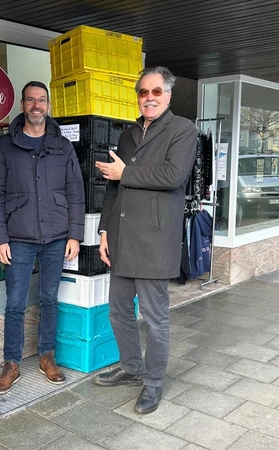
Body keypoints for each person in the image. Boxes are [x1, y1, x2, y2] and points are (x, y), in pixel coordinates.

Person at [92, 67, 197, 414]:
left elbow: (173, 175)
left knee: (154, 318)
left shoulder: (182, 130)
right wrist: (105, 231)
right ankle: (132, 367)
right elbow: (113, 184)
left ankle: (152, 383)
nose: (148, 98)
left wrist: (127, 173)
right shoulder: (129, 133)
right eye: (142, 92)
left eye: (155, 92)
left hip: (153, 240)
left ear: (167, 96)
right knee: (118, 311)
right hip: (121, 238)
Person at [0, 81, 86, 394]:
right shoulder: (4, 146)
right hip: (18, 238)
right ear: (23, 105)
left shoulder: (62, 145)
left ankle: (46, 356)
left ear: (48, 105)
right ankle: (11, 363)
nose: (36, 106)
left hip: (57, 237)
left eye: (41, 100)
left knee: (49, 298)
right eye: (31, 100)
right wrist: (0, 238)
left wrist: (75, 235)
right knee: (15, 303)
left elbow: (75, 192)